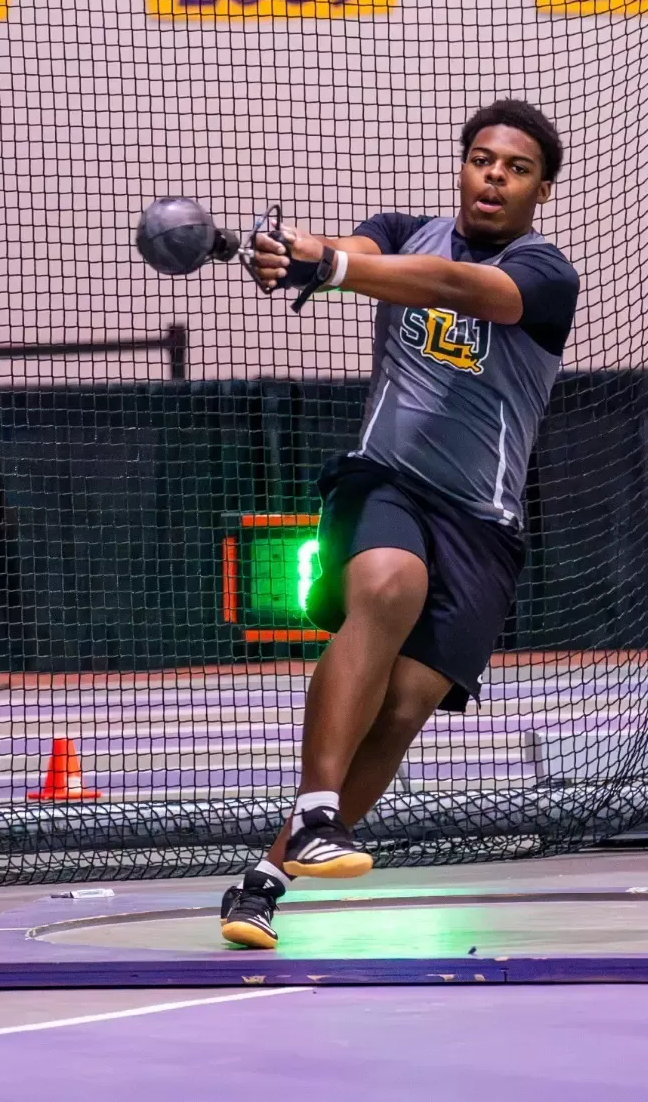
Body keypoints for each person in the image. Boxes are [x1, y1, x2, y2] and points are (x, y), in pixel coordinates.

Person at [219, 100, 579, 949]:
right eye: (481, 159)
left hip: (481, 519)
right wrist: (296, 255)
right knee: (388, 583)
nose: (493, 175)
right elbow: (361, 255)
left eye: (515, 168)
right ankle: (316, 811)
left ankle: (266, 877)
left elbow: (458, 288)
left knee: (407, 703)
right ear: (462, 166)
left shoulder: (544, 274)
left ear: (541, 189)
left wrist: (331, 265)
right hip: (386, 482)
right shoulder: (396, 231)